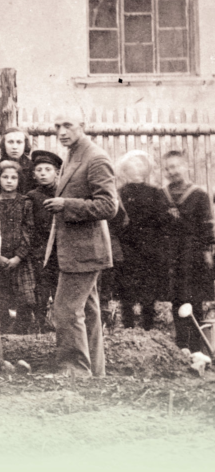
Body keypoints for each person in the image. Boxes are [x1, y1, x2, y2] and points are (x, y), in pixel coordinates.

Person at [44, 110, 118, 378]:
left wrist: (67, 205)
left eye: (68, 126)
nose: (61, 132)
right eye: (57, 126)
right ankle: (95, 372)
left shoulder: (95, 157)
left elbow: (109, 206)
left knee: (65, 311)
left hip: (86, 250)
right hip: (76, 250)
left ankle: (74, 371)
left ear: (83, 127)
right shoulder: (73, 155)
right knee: (87, 310)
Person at [162, 150, 215, 353]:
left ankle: (197, 346)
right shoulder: (163, 195)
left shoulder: (199, 194)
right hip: (172, 255)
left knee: (194, 300)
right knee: (176, 299)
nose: (172, 171)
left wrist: (207, 252)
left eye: (175, 166)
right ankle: (181, 345)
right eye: (168, 168)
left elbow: (207, 227)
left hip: (193, 256)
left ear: (186, 167)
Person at [114, 150, 171, 331]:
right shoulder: (119, 193)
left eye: (140, 164)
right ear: (125, 169)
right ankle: (128, 327)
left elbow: (163, 221)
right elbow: (114, 220)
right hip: (126, 248)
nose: (137, 168)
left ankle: (148, 327)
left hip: (150, 248)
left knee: (148, 290)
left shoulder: (155, 192)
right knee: (127, 291)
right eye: (132, 164)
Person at [0, 161, 36, 334]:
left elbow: (29, 230)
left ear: (19, 180)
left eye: (13, 178)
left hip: (20, 258)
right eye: (5, 177)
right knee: (1, 294)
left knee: (25, 296)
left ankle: (22, 329)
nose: (9, 181)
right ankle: (3, 328)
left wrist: (19, 256)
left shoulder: (25, 203)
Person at [25, 150, 63, 331]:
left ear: (57, 172)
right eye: (39, 170)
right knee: (41, 286)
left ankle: (59, 323)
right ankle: (40, 324)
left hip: (61, 248)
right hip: (41, 249)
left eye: (48, 169)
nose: (43, 173)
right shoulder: (32, 197)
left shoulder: (63, 195)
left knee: (60, 287)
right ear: (34, 174)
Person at [0, 127, 35, 197]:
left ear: (25, 145)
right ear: (4, 144)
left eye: (19, 142)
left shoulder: (33, 169)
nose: (14, 147)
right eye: (10, 142)